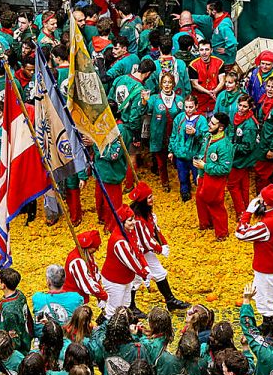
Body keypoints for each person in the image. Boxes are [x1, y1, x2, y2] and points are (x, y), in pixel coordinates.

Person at [128, 182, 190, 311]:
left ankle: (170, 300)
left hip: (145, 251)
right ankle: (131, 306)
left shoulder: (147, 214)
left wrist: (164, 243)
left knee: (160, 273)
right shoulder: (138, 220)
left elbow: (155, 231)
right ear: (143, 201)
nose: (152, 199)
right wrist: (161, 249)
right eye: (149, 197)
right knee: (136, 279)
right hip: (136, 252)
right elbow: (145, 241)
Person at [234, 185, 273, 318]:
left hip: (267, 269)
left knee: (267, 303)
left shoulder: (266, 224)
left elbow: (241, 234)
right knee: (260, 295)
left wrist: (247, 213)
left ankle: (272, 329)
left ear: (265, 203)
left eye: (259, 198)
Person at [99, 206, 150, 319]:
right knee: (113, 309)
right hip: (114, 280)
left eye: (133, 218)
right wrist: (143, 273)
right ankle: (105, 330)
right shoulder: (119, 240)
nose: (134, 222)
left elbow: (138, 250)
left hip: (126, 278)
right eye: (130, 220)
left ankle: (122, 328)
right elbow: (130, 261)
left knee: (125, 305)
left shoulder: (130, 232)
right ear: (122, 222)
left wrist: (145, 266)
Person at [194, 112, 233, 240]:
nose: (209, 124)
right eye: (210, 121)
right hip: (204, 175)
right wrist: (200, 173)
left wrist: (204, 166)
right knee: (200, 199)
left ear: (221, 128)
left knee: (215, 204)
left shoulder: (225, 145)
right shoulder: (208, 136)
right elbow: (203, 152)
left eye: (212, 123)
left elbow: (225, 168)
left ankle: (222, 233)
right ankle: (205, 225)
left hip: (215, 179)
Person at [30, 265, 84, 334]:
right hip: (68, 341)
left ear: (48, 281)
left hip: (44, 340)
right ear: (64, 280)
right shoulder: (76, 298)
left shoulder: (37, 298)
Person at [62, 230, 108, 307]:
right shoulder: (77, 261)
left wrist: (99, 291)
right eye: (95, 247)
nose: (97, 250)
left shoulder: (87, 255)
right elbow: (87, 285)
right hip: (73, 300)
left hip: (79, 297)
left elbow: (94, 272)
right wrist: (104, 296)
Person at [190, 40, 225, 114]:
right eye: (201, 50)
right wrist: (208, 92)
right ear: (198, 51)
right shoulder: (193, 65)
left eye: (207, 49)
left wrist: (215, 91)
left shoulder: (219, 62)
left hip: (216, 100)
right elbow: (194, 84)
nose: (204, 52)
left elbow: (222, 81)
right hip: (200, 102)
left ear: (211, 50)